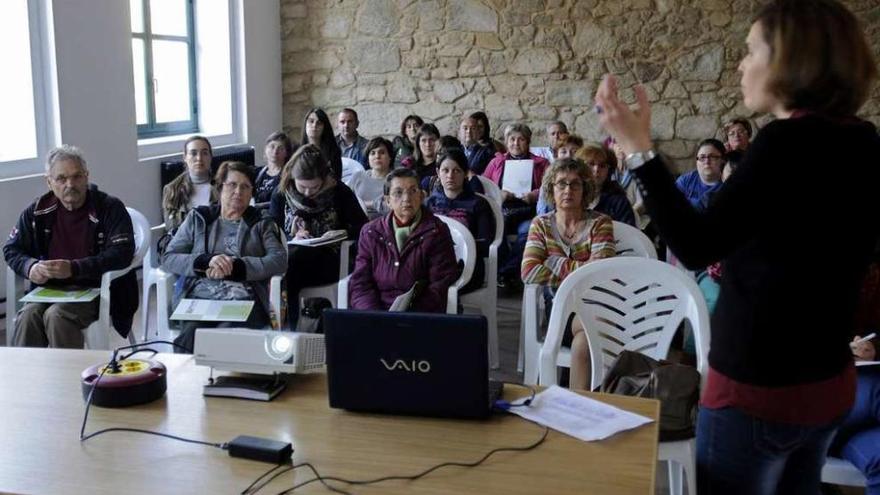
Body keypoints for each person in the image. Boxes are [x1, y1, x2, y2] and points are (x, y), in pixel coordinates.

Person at [594, 0, 880, 492]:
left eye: (751, 51)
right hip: (829, 382)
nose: (742, 64)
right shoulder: (864, 141)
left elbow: (696, 244)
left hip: (759, 390)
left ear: (793, 59)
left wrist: (640, 151)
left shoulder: (782, 145)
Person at [4, 145, 138, 348]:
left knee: (57, 316)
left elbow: (122, 253)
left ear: (87, 176)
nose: (70, 184)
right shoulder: (37, 211)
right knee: (28, 316)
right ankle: (28, 377)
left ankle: (68, 377)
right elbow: (11, 249)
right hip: (49, 290)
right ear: (49, 182)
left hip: (95, 290)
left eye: (77, 177)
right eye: (61, 178)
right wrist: (30, 267)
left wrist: (74, 268)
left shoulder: (109, 207)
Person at [162, 161, 287, 352]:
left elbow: (278, 261)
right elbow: (169, 257)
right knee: (188, 340)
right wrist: (205, 261)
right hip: (201, 299)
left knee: (225, 338)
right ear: (220, 188)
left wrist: (237, 267)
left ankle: (224, 381)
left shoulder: (262, 222)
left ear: (251, 192)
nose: (238, 191)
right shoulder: (199, 218)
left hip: (245, 300)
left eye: (245, 187)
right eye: (232, 185)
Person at [521, 158, 616, 390]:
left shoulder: (600, 223)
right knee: (593, 334)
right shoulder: (541, 224)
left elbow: (600, 271)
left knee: (584, 342)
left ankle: (575, 405)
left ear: (585, 189)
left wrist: (554, 262)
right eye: (561, 183)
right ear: (551, 189)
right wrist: (580, 269)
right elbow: (529, 271)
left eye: (575, 184)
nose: (568, 190)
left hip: (597, 303)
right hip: (560, 310)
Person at [270, 145, 367, 331]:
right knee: (286, 266)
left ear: (324, 179)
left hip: (331, 259)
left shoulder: (339, 192)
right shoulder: (281, 193)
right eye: (302, 186)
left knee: (287, 270)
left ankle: (289, 330)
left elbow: (363, 228)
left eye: (314, 187)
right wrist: (292, 235)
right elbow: (271, 230)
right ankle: (286, 327)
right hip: (292, 258)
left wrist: (341, 233)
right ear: (292, 177)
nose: (308, 193)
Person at [349, 168, 459, 312]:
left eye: (413, 191)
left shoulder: (436, 231)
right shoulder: (371, 232)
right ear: (387, 200)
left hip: (417, 315)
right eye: (398, 193)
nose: (406, 198)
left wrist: (405, 317)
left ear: (421, 196)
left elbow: (439, 285)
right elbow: (360, 283)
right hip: (376, 313)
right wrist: (373, 315)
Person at [482, 123, 550, 288]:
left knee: (527, 233)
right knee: (497, 230)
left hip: (529, 211)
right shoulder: (496, 162)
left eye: (521, 139)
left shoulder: (542, 163)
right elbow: (483, 187)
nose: (516, 143)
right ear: (506, 141)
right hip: (503, 210)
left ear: (528, 142)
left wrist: (536, 194)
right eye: (512, 139)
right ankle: (507, 273)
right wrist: (500, 194)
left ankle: (505, 273)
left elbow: (550, 185)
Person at [426, 148, 494, 294]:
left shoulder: (478, 204)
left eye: (456, 171)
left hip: (467, 267)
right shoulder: (429, 204)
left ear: (465, 174)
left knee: (435, 285)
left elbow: (485, 243)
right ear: (438, 173)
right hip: (432, 263)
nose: (450, 176)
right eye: (445, 170)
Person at [162, 135, 218, 231]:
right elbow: (170, 228)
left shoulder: (223, 187)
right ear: (185, 157)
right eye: (193, 153)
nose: (199, 158)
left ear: (210, 156)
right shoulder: (172, 190)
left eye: (204, 153)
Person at [575, 145, 636, 226]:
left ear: (609, 171)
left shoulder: (618, 201)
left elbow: (629, 234)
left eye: (602, 166)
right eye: (591, 164)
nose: (596, 169)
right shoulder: (570, 194)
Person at [346, 137, 393, 220]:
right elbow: (345, 199)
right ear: (368, 158)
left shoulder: (396, 180)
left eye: (382, 152)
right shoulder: (358, 176)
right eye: (373, 153)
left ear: (390, 157)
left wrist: (370, 204)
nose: (377, 156)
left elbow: (396, 207)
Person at [676, 138, 725, 208]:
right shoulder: (685, 181)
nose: (707, 162)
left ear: (723, 160)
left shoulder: (728, 183)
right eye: (702, 157)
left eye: (712, 157)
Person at [254, 131, 295, 208]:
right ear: (266, 149)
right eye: (272, 146)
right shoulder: (257, 172)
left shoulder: (289, 176)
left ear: (287, 153)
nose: (275, 151)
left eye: (280, 148)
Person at [300, 108, 343, 181]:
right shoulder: (296, 151)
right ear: (305, 124)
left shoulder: (333, 151)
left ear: (324, 127)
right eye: (311, 121)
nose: (314, 125)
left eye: (319, 123)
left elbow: (336, 179)